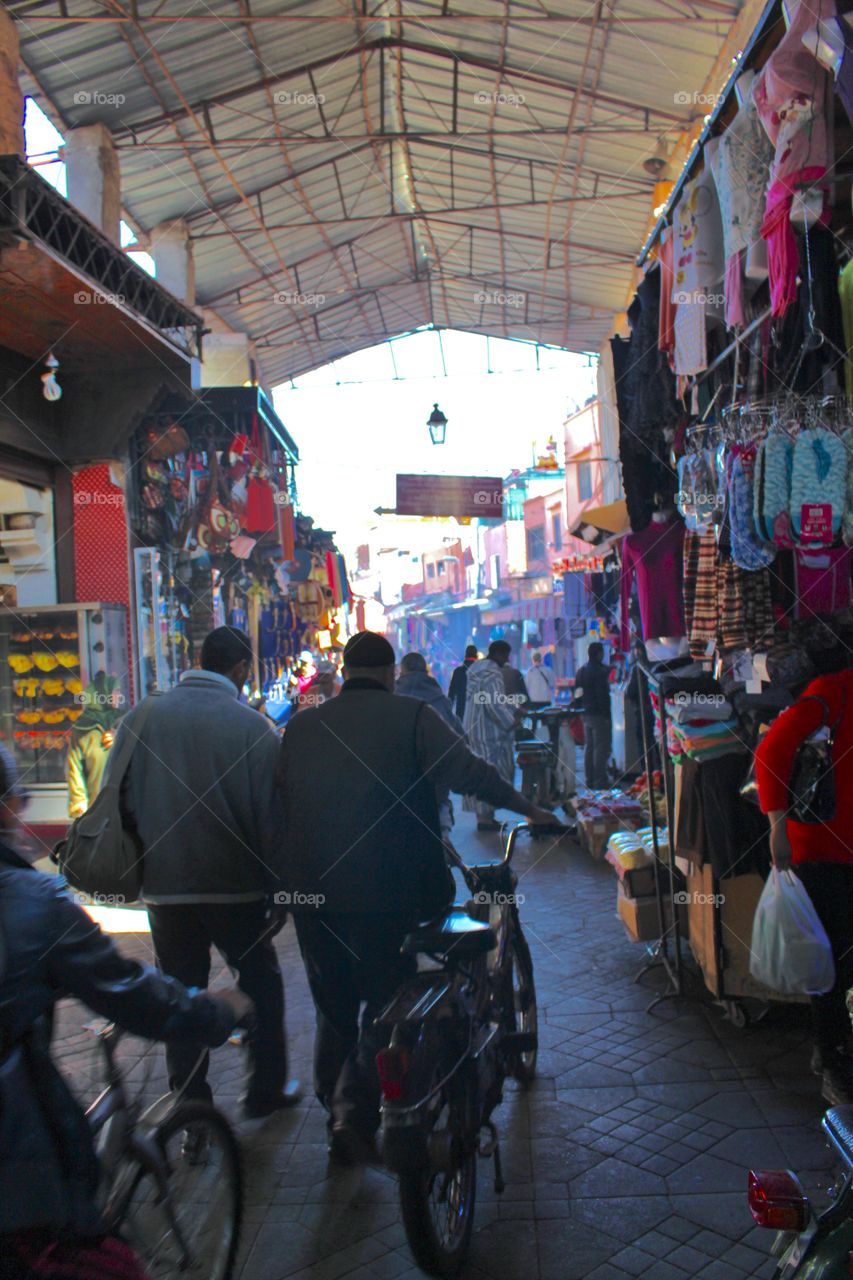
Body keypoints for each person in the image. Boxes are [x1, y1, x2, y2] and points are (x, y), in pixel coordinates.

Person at [277, 631, 554, 1165]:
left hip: (312, 895)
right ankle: (355, 1114)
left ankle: (339, 1116)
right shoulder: (413, 717)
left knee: (333, 1008)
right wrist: (531, 809)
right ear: (390, 676)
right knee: (385, 1002)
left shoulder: (302, 727)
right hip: (394, 890)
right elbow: (472, 774)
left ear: (345, 674)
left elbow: (279, 803)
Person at [0, 742, 251, 1274]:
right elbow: (127, 991)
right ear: (8, 809)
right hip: (19, 1187)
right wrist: (217, 1012)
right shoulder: (32, 904)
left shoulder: (137, 728)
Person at [114, 625, 300, 1117]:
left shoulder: (141, 717)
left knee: (180, 991)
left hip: (164, 888)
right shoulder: (253, 728)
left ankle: (190, 1099)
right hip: (235, 888)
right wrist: (281, 890)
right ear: (240, 669)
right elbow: (272, 820)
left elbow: (116, 798)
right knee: (260, 983)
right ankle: (264, 1089)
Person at [755, 658, 853, 1105]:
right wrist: (777, 826)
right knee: (833, 960)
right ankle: (833, 1062)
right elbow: (772, 749)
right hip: (820, 847)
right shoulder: (834, 690)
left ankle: (832, 1047)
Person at [396, 651, 465, 836]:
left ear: (401, 672)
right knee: (440, 829)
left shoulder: (390, 700)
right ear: (425, 671)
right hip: (436, 786)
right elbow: (460, 738)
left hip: (399, 787)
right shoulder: (441, 701)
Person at [464, 639, 520, 831]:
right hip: (487, 730)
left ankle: (486, 816)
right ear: (498, 654)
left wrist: (514, 707)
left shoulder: (477, 668)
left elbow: (495, 698)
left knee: (480, 772)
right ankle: (485, 820)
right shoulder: (492, 673)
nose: (507, 660)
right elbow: (495, 704)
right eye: (506, 655)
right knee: (489, 774)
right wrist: (512, 721)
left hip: (474, 726)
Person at [65, 673, 124, 818]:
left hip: (125, 807)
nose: (119, 695)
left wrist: (120, 737)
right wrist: (79, 804)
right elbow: (74, 768)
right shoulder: (81, 730)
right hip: (96, 809)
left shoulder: (126, 720)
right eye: (115, 691)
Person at [574, 642, 613, 789]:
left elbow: (577, 693)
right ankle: (599, 780)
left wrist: (579, 708)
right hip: (598, 714)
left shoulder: (581, 671)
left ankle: (589, 779)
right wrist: (606, 714)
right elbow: (602, 695)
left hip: (585, 713)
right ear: (599, 654)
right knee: (600, 747)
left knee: (589, 747)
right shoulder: (600, 672)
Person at [448, 644, 478, 720]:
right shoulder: (480, 671)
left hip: (461, 711)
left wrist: (448, 712)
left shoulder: (457, 671)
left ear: (465, 656)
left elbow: (451, 694)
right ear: (476, 656)